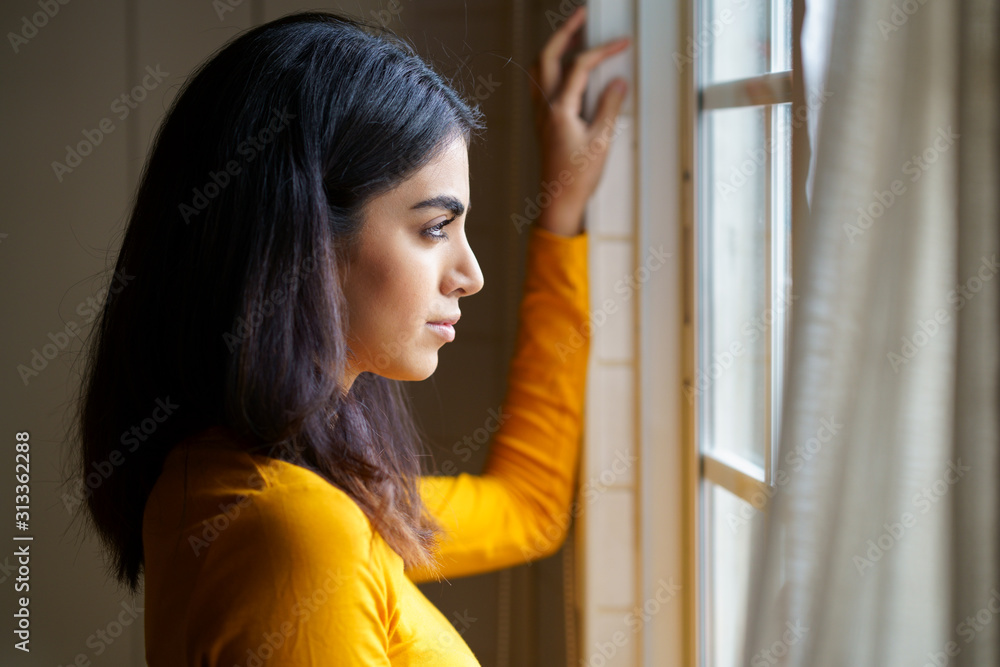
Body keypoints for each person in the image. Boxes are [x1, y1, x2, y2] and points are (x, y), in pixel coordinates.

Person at [72, 7, 629, 665]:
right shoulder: (295, 529)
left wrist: (560, 218)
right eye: (433, 228)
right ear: (304, 237)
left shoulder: (258, 477)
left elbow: (527, 507)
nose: (471, 274)